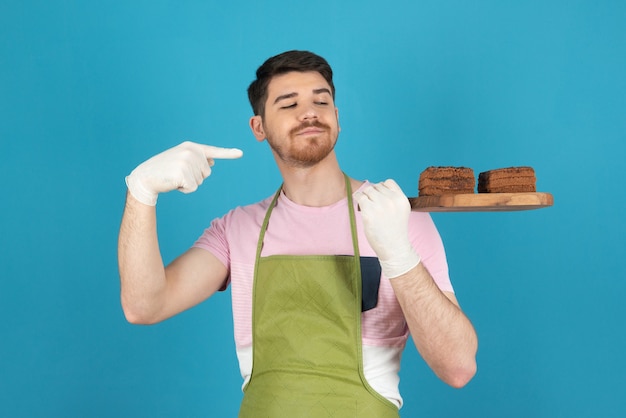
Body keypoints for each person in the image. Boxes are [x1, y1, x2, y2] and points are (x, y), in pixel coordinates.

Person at [118, 50, 478, 417]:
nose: (309, 112)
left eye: (321, 101)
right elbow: (144, 306)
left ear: (337, 118)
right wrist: (141, 192)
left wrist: (399, 255)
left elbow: (458, 367)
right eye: (289, 104)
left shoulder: (397, 216)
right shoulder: (237, 229)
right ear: (258, 127)